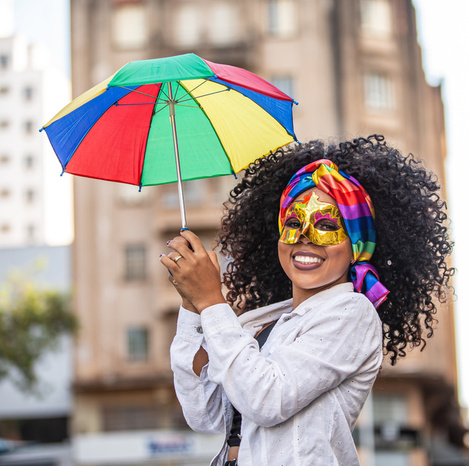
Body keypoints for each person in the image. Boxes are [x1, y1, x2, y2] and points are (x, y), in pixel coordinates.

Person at [161, 134, 453, 465]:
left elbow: (266, 400)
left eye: (326, 225)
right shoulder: (259, 323)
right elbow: (205, 414)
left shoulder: (352, 313)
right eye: (294, 222)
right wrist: (192, 305)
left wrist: (212, 301)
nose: (304, 237)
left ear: (356, 243)